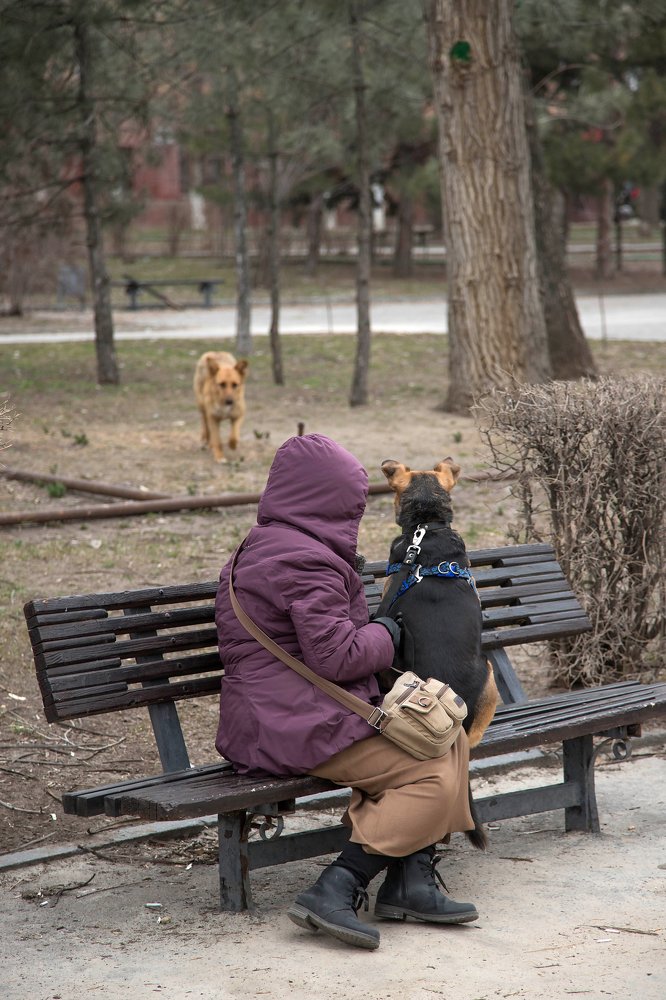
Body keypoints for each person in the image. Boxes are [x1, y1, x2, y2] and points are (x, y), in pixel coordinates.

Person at [214, 433, 477, 950]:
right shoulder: (301, 561)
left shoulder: (276, 543)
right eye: (351, 505)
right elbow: (337, 657)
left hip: (288, 713)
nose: (355, 517)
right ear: (327, 501)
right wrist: (388, 630)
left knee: (448, 734)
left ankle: (410, 883)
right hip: (291, 725)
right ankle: (338, 884)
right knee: (432, 771)